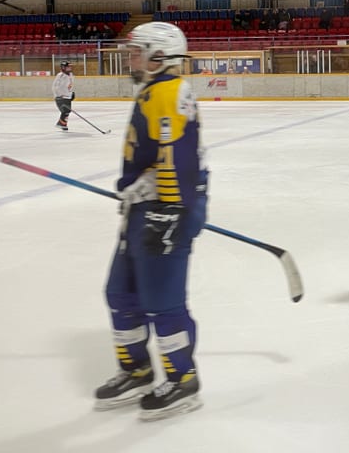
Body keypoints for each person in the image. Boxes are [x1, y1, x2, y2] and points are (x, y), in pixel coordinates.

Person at [94, 21, 209, 421]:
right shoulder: (151, 90)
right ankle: (137, 369)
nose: (131, 57)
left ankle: (182, 379)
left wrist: (171, 210)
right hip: (145, 209)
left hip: (167, 213)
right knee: (120, 293)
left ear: (159, 55)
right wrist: (137, 186)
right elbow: (155, 153)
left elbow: (181, 156)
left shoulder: (172, 91)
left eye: (136, 50)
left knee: (163, 302)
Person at [52, 60, 74, 131]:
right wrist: (58, 96)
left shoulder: (71, 75)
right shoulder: (60, 75)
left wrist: (71, 93)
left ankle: (62, 124)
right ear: (63, 67)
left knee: (67, 111)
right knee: (65, 110)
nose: (69, 68)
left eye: (70, 67)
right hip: (61, 97)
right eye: (68, 67)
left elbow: (69, 86)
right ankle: (61, 124)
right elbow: (55, 87)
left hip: (67, 96)